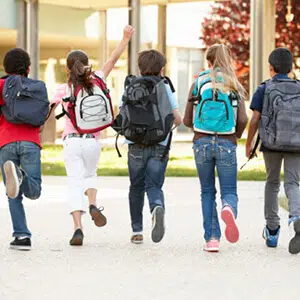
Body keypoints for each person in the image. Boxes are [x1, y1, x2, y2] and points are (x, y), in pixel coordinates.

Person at [50, 25, 134, 246]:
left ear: (68, 69)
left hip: (72, 142)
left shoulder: (63, 88)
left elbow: (47, 110)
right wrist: (124, 39)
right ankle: (93, 203)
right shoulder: (98, 77)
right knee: (91, 174)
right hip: (93, 142)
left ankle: (78, 228)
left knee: (74, 183)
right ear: (88, 65)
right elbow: (113, 59)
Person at [183, 44, 248, 252]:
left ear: (208, 61)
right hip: (226, 142)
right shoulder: (233, 83)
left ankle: (212, 239)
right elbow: (243, 118)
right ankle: (228, 208)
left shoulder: (198, 82)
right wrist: (234, 135)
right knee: (229, 189)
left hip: (201, 142)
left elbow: (186, 120)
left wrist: (200, 128)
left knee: (207, 190)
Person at [117, 49, 182, 244]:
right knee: (154, 185)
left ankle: (137, 231)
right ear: (162, 69)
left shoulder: (130, 84)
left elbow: (121, 114)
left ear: (139, 67)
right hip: (159, 145)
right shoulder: (164, 86)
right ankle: (156, 206)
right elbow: (178, 119)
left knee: (135, 187)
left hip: (135, 145)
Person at [246, 48, 300, 254]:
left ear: (270, 67)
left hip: (271, 143)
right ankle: (296, 217)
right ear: (291, 68)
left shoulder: (264, 88)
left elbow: (255, 120)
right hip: (297, 144)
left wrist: (249, 143)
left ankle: (272, 230)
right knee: (293, 183)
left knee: (272, 182)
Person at [0, 48, 44, 251]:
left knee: (12, 192)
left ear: (5, 68)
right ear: (28, 68)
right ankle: (21, 177)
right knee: (33, 191)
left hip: (6, 142)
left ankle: (21, 236)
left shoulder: (1, 85)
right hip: (30, 142)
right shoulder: (36, 88)